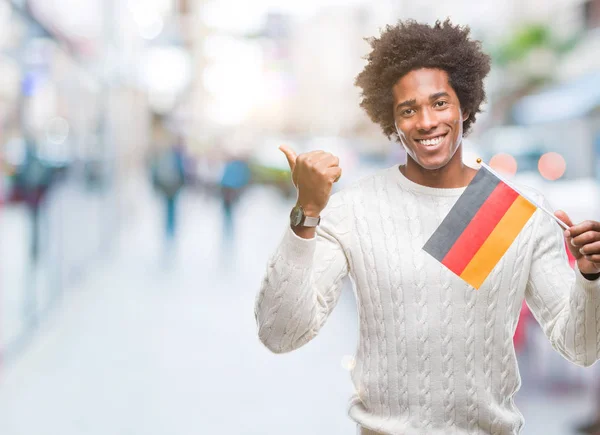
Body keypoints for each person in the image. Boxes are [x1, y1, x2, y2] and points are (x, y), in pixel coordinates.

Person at [254, 19, 600, 434]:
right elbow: (280, 334)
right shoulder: (355, 210)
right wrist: (306, 212)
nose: (426, 121)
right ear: (392, 120)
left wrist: (590, 276)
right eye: (408, 109)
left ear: (465, 106)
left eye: (440, 103)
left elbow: (580, 348)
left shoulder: (515, 209)